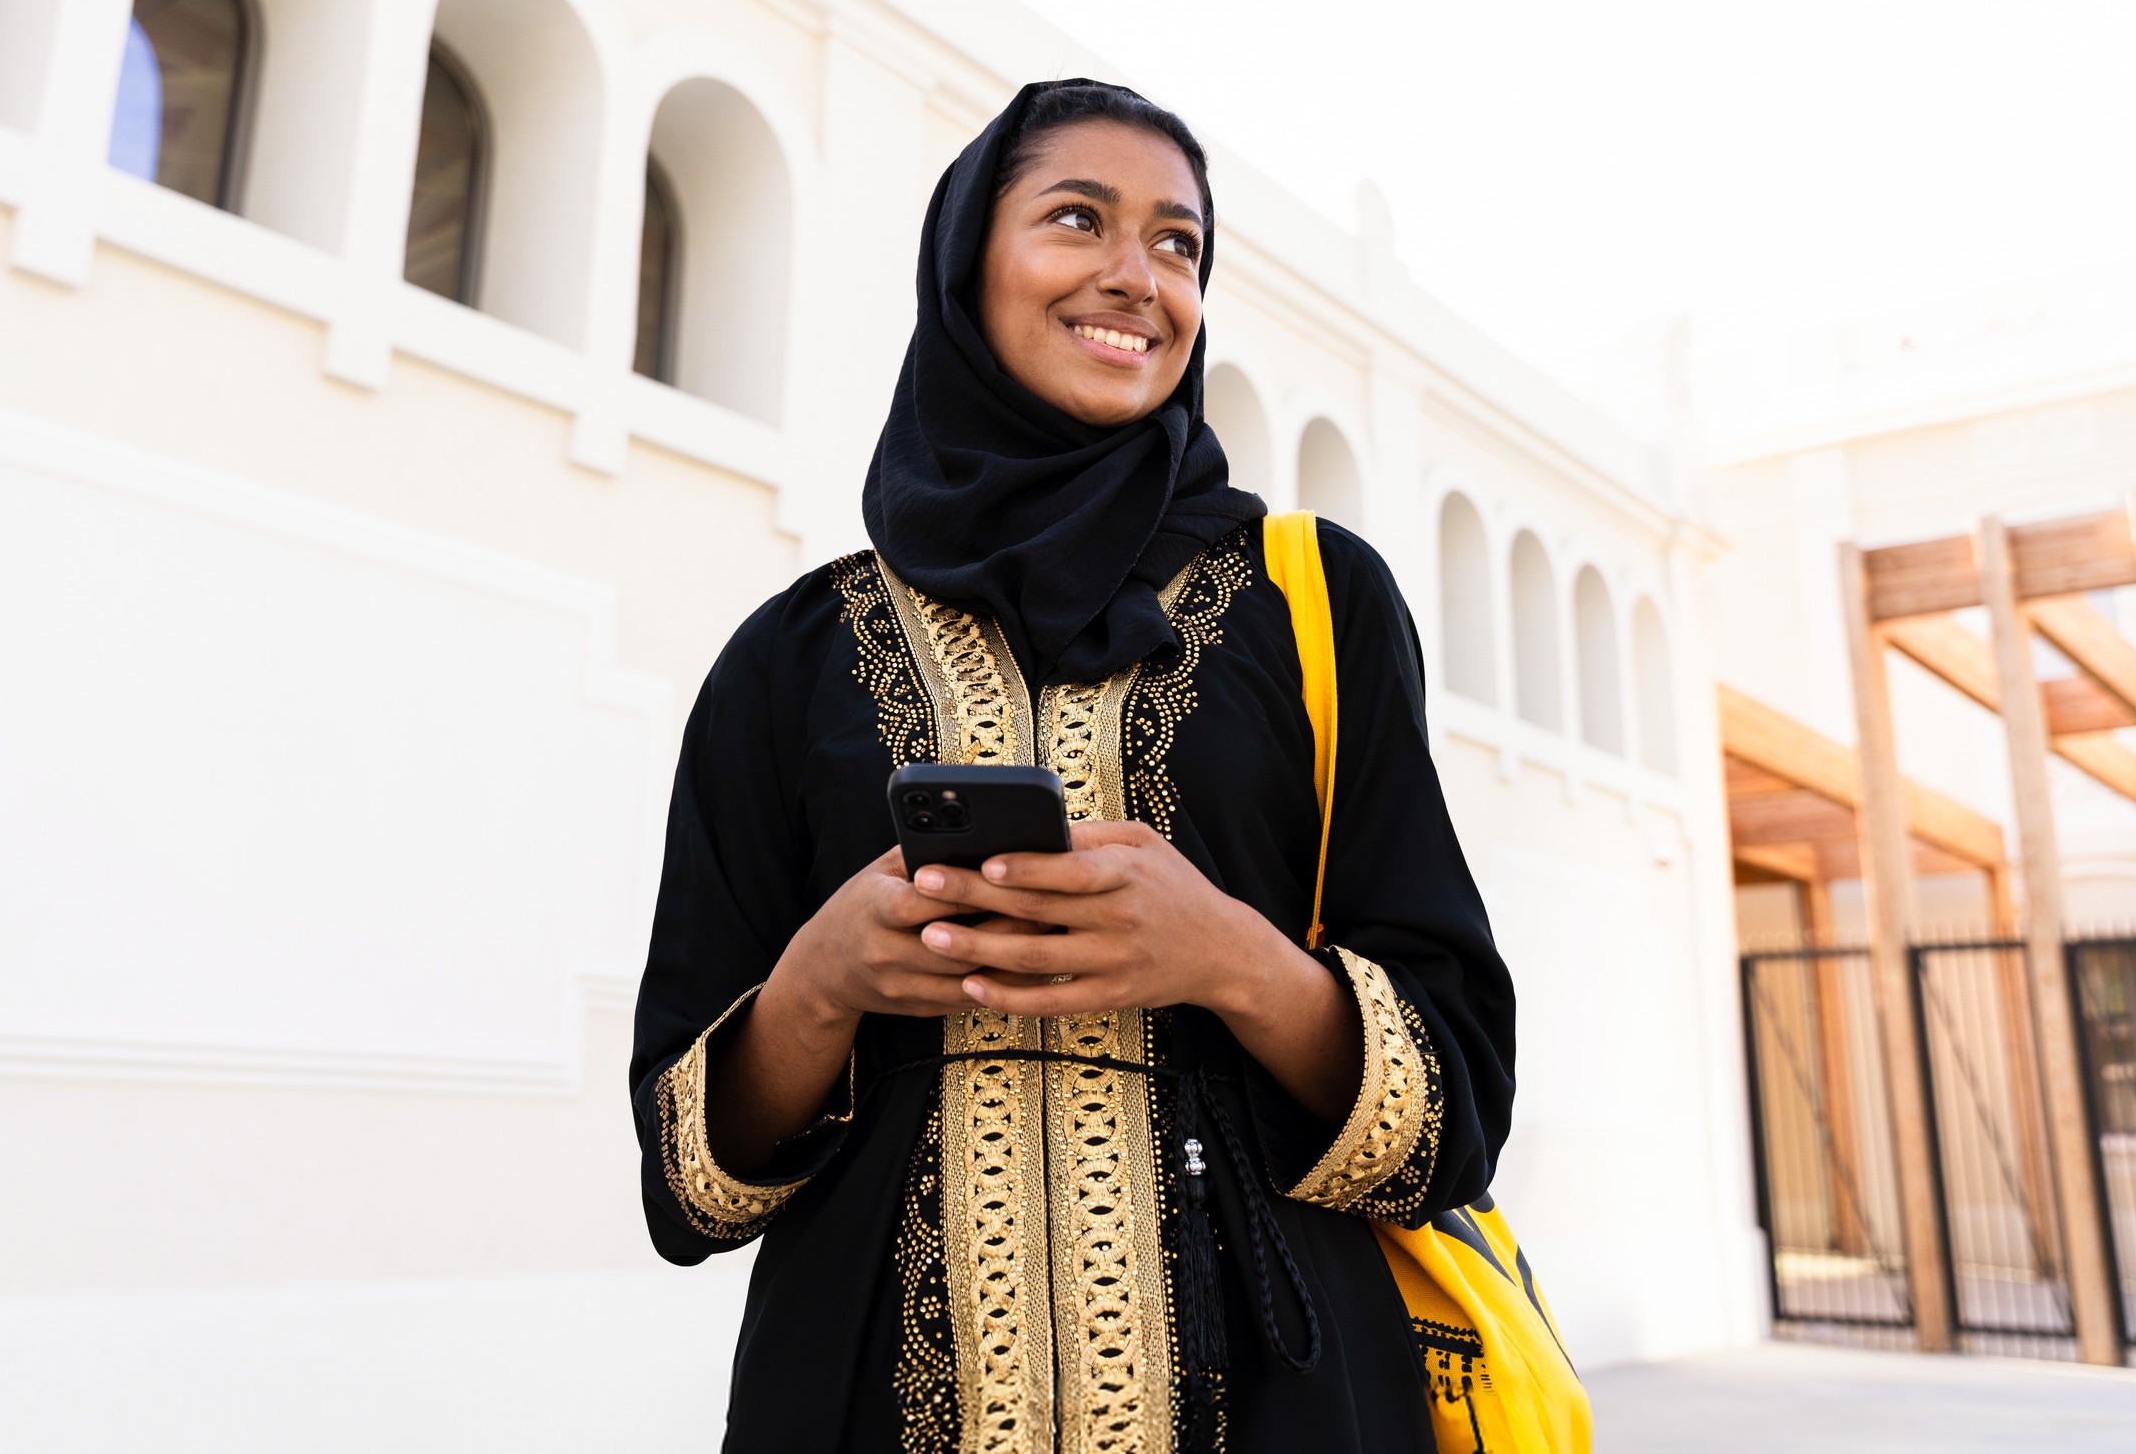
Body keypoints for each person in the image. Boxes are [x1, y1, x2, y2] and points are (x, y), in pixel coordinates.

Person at [630, 78, 1516, 1453]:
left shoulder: (1316, 604)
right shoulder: (791, 655)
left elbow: (1460, 1105)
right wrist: (822, 980)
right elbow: (689, 1182)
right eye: (1077, 218)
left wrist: (1227, 955)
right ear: (967, 262)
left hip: (1284, 1399)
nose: (1138, 275)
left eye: (1180, 243)